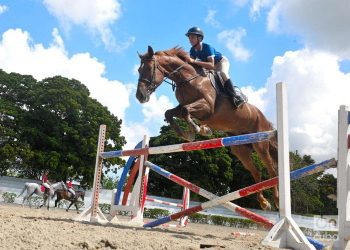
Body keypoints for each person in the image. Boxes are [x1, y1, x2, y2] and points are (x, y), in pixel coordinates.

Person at [185, 26, 246, 108]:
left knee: (223, 73)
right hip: (209, 66)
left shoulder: (207, 47)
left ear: (199, 38)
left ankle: (236, 96)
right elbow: (191, 64)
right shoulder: (192, 50)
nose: (190, 40)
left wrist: (194, 61)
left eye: (192, 37)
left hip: (220, 62)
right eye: (189, 38)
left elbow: (211, 65)